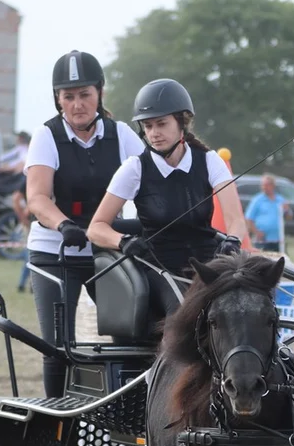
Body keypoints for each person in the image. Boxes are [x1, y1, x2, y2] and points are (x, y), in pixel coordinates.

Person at [24, 50, 146, 397]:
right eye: (68, 97)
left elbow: (149, 183)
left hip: (106, 247)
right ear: (58, 100)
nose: (77, 105)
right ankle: (56, 421)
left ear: (100, 93)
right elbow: (38, 198)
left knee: (131, 335)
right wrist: (64, 226)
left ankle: (129, 412)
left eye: (85, 95)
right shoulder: (46, 137)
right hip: (55, 251)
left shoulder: (121, 135)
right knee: (58, 343)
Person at [88, 78, 248, 318]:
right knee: (184, 311)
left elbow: (236, 219)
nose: (154, 133)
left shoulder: (209, 160)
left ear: (182, 122)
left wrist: (233, 240)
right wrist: (123, 241)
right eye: (148, 126)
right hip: (158, 268)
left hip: (208, 264)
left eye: (161, 124)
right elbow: (96, 228)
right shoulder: (135, 168)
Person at [244, 174, 292, 251]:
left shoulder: (280, 200)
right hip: (262, 240)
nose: (264, 187)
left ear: (273, 186)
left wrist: (287, 210)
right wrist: (256, 232)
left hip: (278, 240)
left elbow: (289, 217)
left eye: (266, 185)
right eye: (262, 185)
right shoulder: (257, 200)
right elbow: (248, 219)